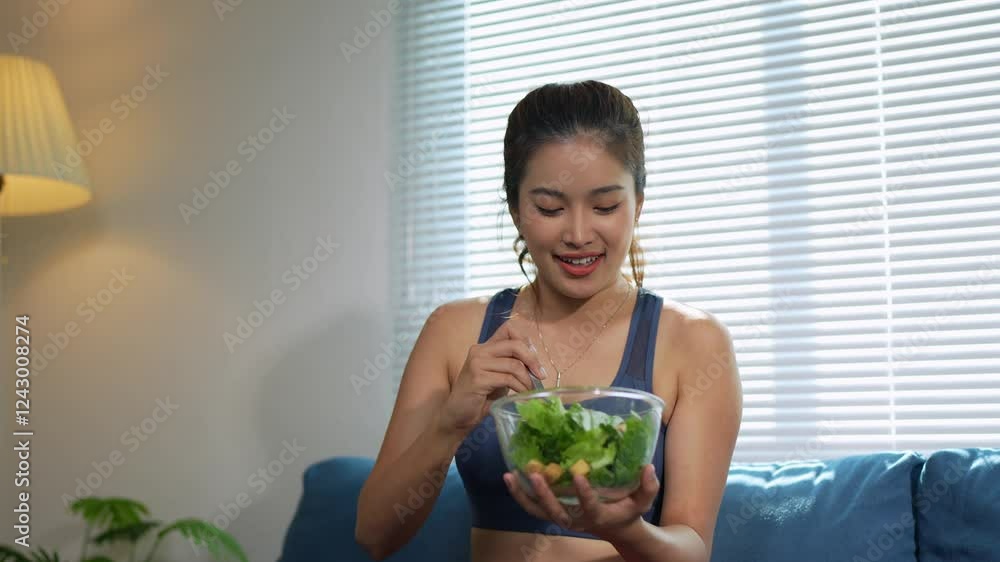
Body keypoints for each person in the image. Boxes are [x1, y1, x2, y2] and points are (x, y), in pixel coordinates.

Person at [356, 80, 742, 562]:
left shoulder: (694, 341)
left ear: (638, 203)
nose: (579, 234)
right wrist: (449, 424)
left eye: (605, 206)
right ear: (516, 210)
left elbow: (692, 550)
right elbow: (374, 535)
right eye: (549, 208)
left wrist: (626, 530)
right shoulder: (454, 332)